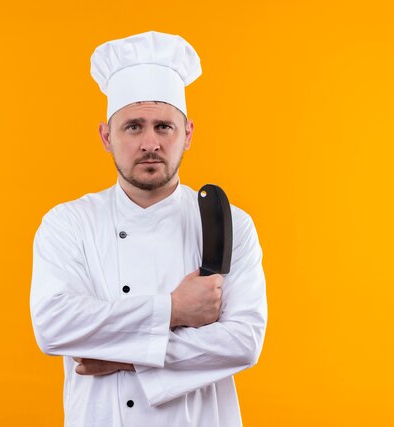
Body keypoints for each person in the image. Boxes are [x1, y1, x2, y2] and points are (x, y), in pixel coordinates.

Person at [30, 31, 267, 427]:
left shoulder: (229, 224)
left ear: (187, 134)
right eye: (133, 127)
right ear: (107, 137)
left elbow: (243, 343)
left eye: (164, 127)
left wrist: (123, 357)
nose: (150, 143)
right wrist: (174, 309)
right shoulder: (67, 223)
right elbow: (54, 326)